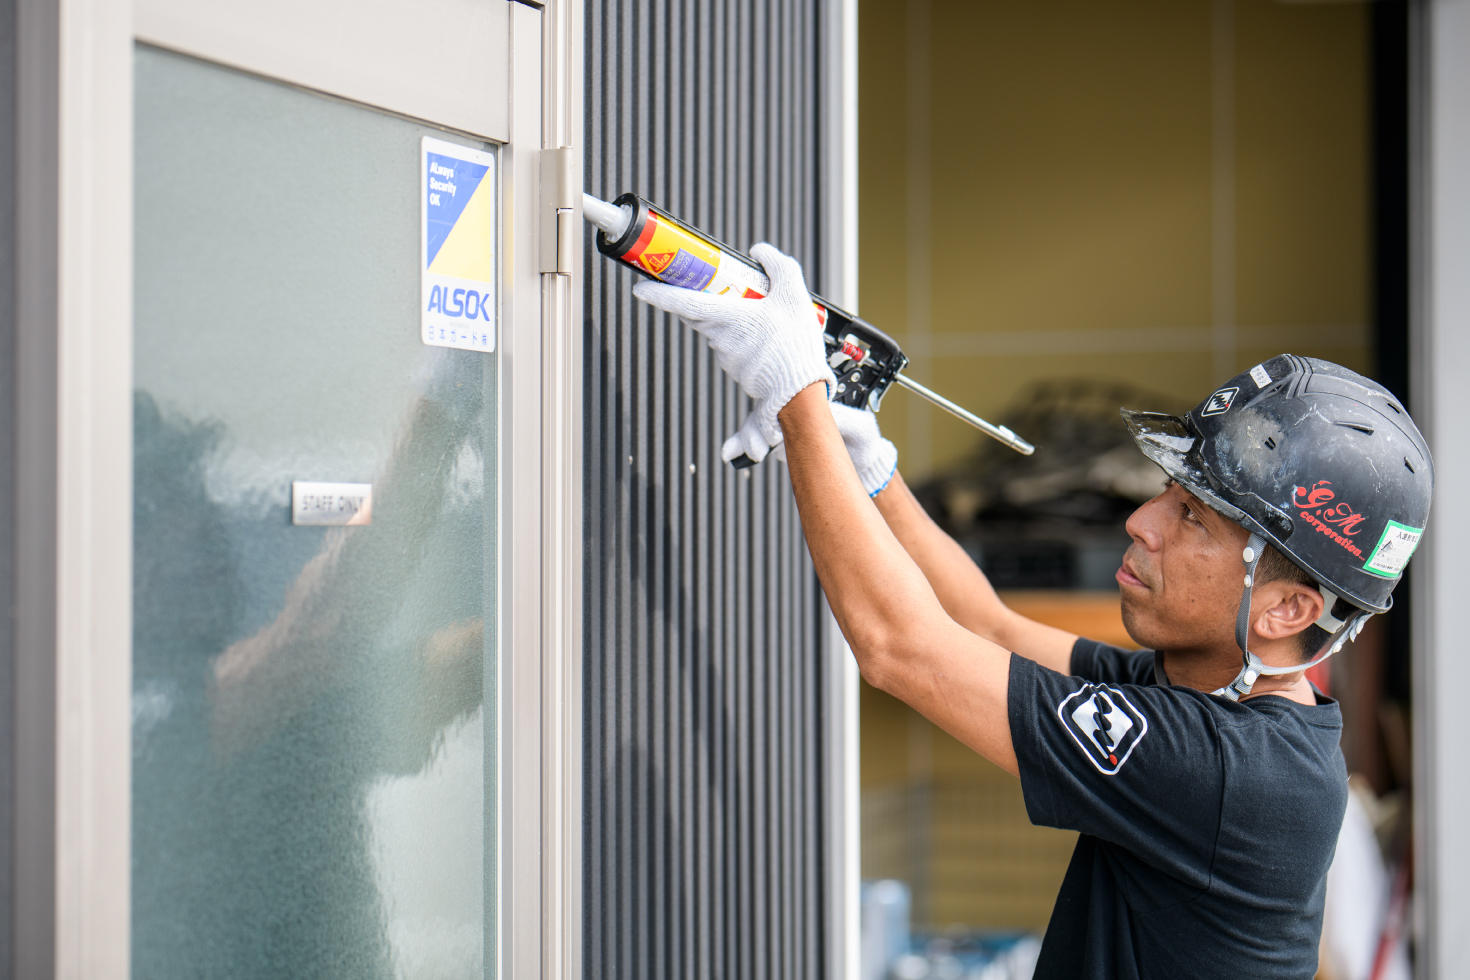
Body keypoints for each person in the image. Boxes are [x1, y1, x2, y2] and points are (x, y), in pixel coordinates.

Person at [632, 243, 1433, 980]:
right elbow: (988, 627)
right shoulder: (1214, 695)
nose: (1142, 522)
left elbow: (898, 649)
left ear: (1288, 608)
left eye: (1193, 519)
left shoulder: (1228, 770)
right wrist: (865, 465)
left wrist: (797, 394)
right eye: (1169, 493)